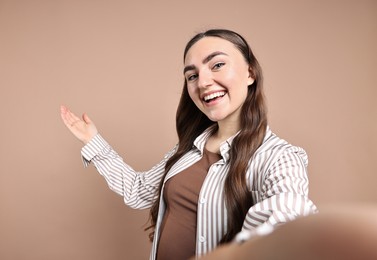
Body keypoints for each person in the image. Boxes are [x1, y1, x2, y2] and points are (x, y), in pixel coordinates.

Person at [60, 29, 318, 260]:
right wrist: (93, 141)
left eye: (217, 65)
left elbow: (286, 217)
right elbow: (138, 191)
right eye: (192, 75)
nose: (203, 82)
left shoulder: (279, 157)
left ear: (250, 73)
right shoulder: (187, 150)